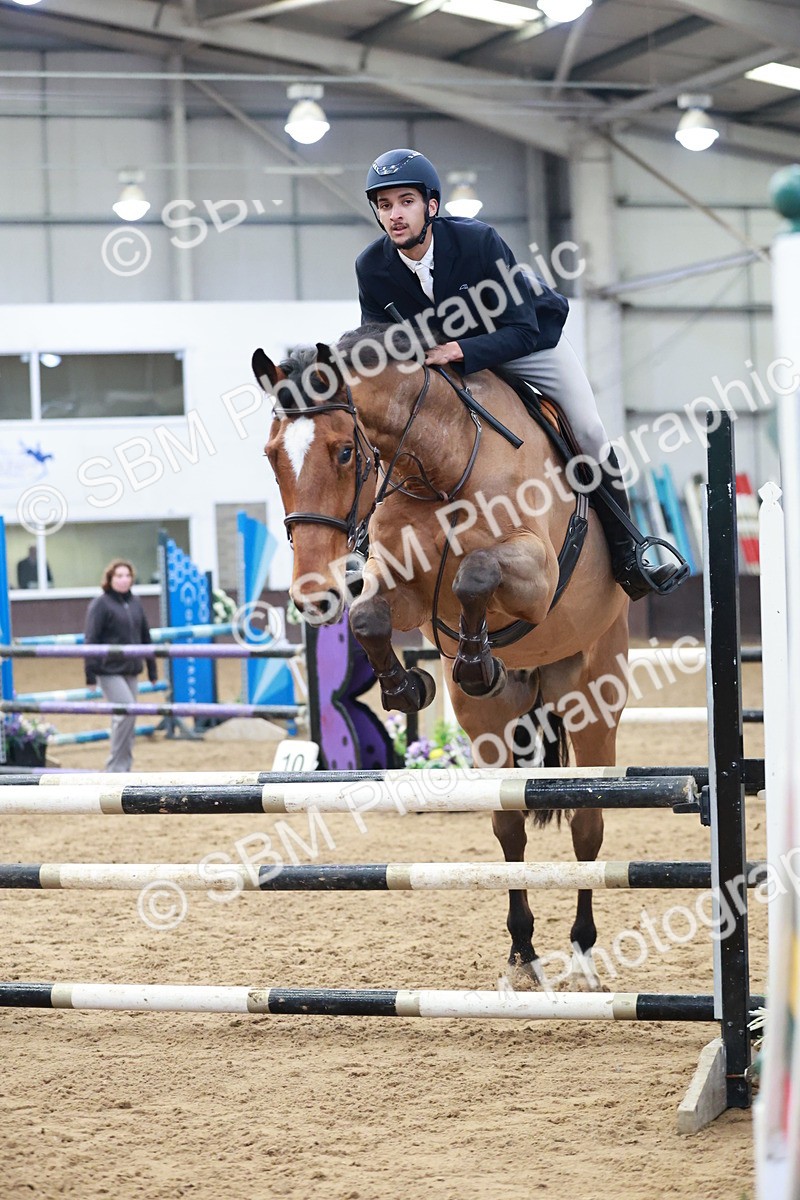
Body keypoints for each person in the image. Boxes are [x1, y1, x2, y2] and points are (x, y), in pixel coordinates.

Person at [356, 148, 683, 601]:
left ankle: (630, 551)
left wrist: (460, 349)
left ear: (431, 206)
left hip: (523, 341)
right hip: (443, 359)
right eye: (385, 205)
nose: (395, 215)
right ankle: (364, 542)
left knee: (587, 427)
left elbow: (523, 328)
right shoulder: (372, 267)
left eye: (406, 201)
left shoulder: (477, 242)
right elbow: (383, 344)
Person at [84, 560, 157, 773]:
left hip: (131, 669)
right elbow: (91, 638)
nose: (124, 580)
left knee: (129, 717)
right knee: (125, 712)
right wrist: (90, 674)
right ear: (110, 579)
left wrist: (152, 669)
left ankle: (125, 767)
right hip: (108, 670)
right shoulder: (100, 604)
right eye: (119, 576)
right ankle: (115, 768)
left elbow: (145, 636)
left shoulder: (135, 603)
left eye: (127, 575)